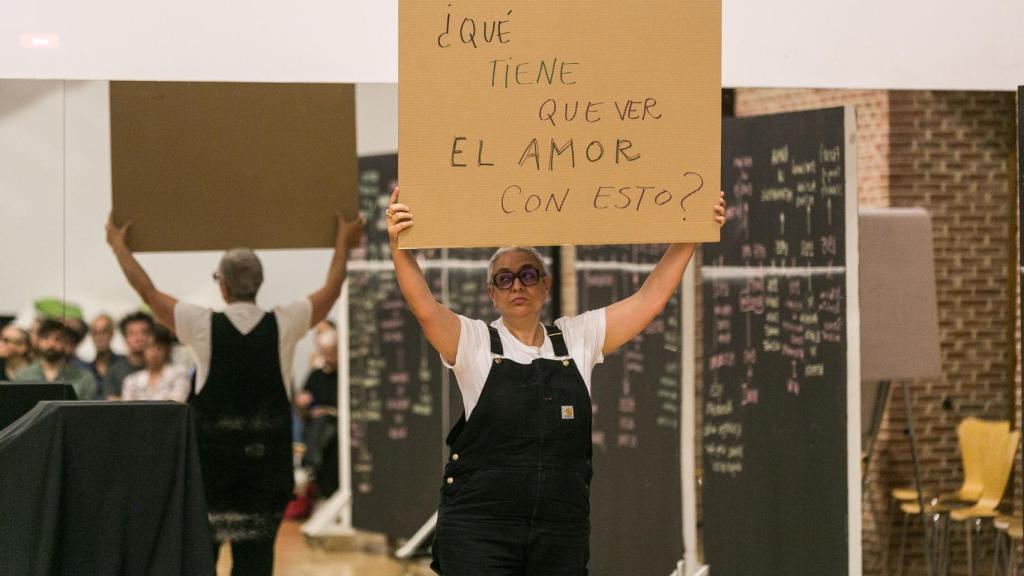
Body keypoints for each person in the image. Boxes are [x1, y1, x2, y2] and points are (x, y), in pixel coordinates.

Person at [386, 187, 725, 575]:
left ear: (545, 286)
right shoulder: (475, 342)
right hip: (479, 528)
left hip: (560, 530)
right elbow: (425, 308)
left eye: (528, 275)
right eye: (505, 279)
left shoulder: (576, 339)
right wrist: (399, 244)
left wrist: (691, 234)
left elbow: (650, 299)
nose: (517, 286)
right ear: (492, 295)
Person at [106, 210, 364, 576]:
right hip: (266, 474)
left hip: (212, 476)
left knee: (200, 561)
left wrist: (119, 246)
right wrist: (343, 240)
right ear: (259, 283)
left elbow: (147, 292)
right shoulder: (286, 322)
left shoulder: (201, 325)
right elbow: (332, 288)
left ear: (223, 285)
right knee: (255, 564)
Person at [296, 328, 340, 497]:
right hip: (313, 429)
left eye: (330, 354)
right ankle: (309, 470)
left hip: (334, 432)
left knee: (324, 423)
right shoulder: (316, 375)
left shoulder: (344, 376)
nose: (327, 359)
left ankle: (308, 469)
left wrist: (327, 410)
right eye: (324, 354)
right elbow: (302, 407)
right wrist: (302, 403)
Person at [13, 319, 97, 399]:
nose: (51, 344)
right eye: (46, 338)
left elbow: (88, 411)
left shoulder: (84, 378)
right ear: (38, 341)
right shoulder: (22, 376)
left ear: (65, 342)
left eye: (58, 339)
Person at [121, 325, 190, 402]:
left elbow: (177, 403)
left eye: (159, 348)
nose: (154, 353)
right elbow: (127, 409)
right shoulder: (131, 381)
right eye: (149, 347)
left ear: (167, 349)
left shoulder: (179, 374)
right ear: (143, 349)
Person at [103, 312, 154, 400]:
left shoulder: (164, 369)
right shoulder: (114, 371)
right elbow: (111, 402)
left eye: (144, 333)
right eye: (132, 333)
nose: (139, 338)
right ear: (125, 339)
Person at [88, 313, 126, 385]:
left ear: (111, 334)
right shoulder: (87, 369)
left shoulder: (124, 364)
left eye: (104, 332)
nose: (99, 337)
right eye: (95, 333)